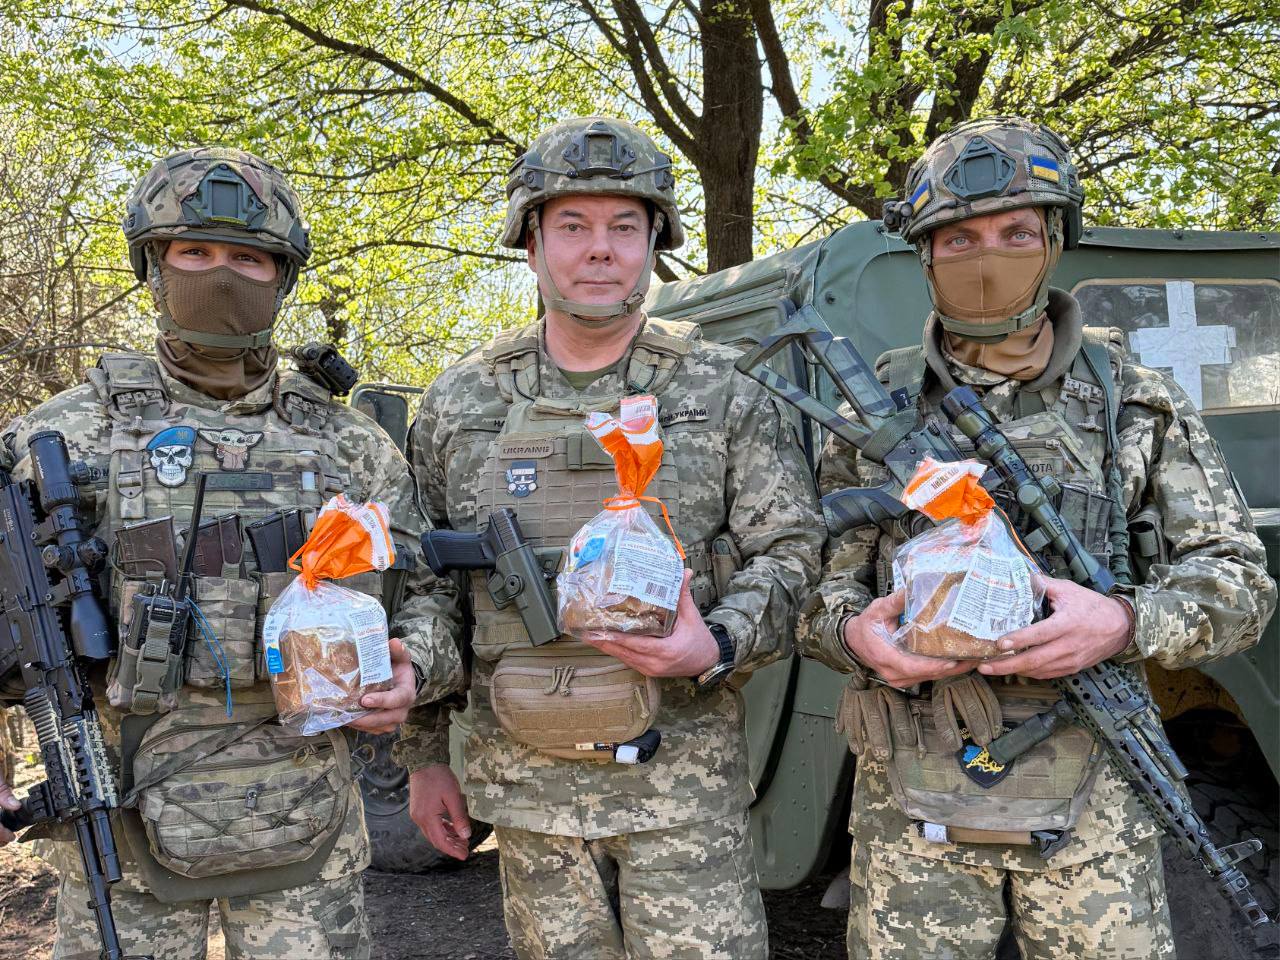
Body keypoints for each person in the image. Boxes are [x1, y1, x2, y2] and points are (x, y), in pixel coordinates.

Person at [796, 117, 1278, 959]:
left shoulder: (1136, 400)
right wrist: (853, 635)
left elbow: (1238, 582)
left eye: (1015, 232)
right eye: (959, 237)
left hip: (1099, 797)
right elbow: (811, 585)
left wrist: (1124, 621)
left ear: (1055, 238)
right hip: (915, 806)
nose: (987, 256)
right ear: (924, 253)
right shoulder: (873, 407)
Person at [0, 147, 463, 960]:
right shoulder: (63, 436)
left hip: (307, 825)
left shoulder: (348, 444)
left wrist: (414, 668)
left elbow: (431, 593)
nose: (221, 274)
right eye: (196, 251)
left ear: (282, 277)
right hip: (118, 821)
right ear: (153, 265)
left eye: (249, 258)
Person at [394, 116, 825, 959]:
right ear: (530, 243)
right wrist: (424, 757)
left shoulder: (723, 387)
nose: (600, 249)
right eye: (573, 226)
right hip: (529, 793)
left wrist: (717, 642)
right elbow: (428, 588)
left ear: (654, 244)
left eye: (625, 226)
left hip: (681, 788)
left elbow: (792, 552)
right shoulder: (461, 400)